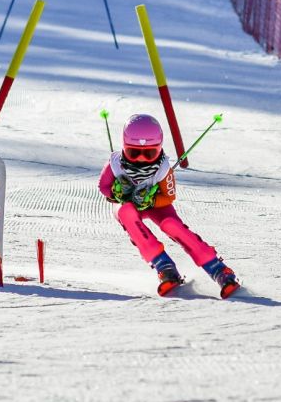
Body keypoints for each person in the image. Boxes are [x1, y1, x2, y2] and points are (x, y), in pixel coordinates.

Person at [99, 114, 240, 298]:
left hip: (156, 205)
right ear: (124, 147)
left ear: (159, 148)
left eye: (149, 154)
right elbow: (103, 186)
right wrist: (116, 193)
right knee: (126, 213)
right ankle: (164, 267)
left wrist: (151, 200)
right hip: (127, 203)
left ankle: (218, 269)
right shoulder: (116, 164)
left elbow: (169, 196)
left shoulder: (162, 168)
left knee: (171, 225)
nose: (141, 159)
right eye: (134, 153)